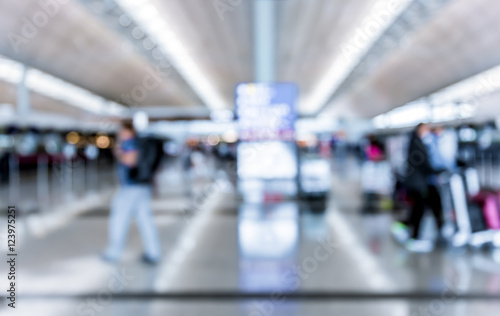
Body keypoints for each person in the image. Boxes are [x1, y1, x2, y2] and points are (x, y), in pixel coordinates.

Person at [102, 122, 161, 264]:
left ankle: (113, 252)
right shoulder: (138, 143)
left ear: (129, 131)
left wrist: (118, 153)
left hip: (131, 188)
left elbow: (130, 161)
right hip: (142, 186)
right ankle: (153, 253)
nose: (119, 134)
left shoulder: (129, 143)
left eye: (121, 131)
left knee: (118, 218)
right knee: (145, 220)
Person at [394, 123, 445, 252]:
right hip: (417, 183)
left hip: (416, 182)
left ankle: (409, 231)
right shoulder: (417, 144)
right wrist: (438, 171)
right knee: (419, 209)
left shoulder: (414, 142)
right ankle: (412, 235)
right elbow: (424, 164)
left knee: (418, 209)